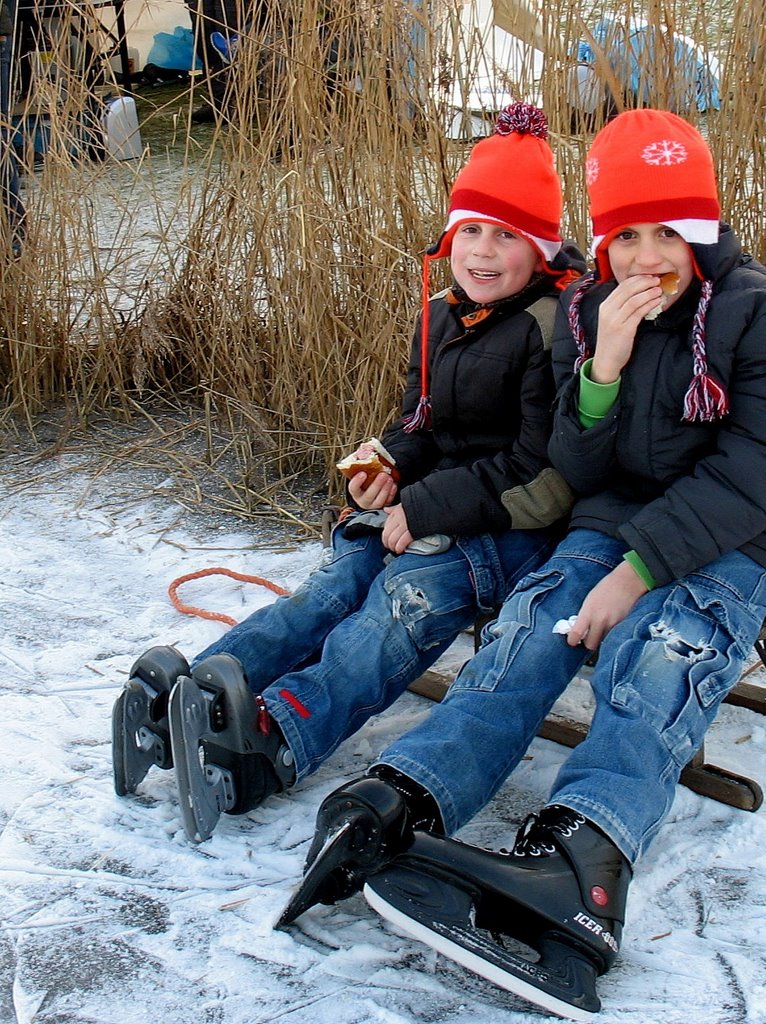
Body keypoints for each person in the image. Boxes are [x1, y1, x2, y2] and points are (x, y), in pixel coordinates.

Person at [278, 109, 766, 1019]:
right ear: (602, 241)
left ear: (702, 231)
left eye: (668, 235)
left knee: (660, 652)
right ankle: (415, 789)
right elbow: (572, 468)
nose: (646, 258)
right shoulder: (586, 314)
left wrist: (640, 572)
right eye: (625, 237)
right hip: (612, 517)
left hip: (737, 541)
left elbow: (764, 469)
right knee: (534, 627)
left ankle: (583, 860)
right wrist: (604, 362)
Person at [111, 102, 584, 843]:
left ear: (542, 250)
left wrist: (424, 507)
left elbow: (538, 467)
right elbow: (420, 423)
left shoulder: (550, 328)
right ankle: (201, 689)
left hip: (510, 529)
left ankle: (276, 739)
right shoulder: (440, 313)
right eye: (472, 230)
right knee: (329, 588)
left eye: (507, 236)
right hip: (425, 510)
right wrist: (389, 466)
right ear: (451, 234)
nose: (484, 252)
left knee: (398, 605)